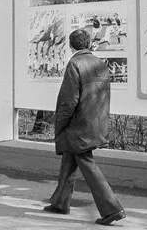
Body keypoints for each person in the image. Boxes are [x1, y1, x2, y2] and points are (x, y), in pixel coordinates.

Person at [43, 29, 125, 226]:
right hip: (95, 124)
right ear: (88, 44)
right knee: (69, 158)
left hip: (78, 126)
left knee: (86, 163)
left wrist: (60, 125)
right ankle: (60, 202)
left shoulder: (74, 64)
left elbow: (68, 102)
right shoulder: (100, 64)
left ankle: (113, 208)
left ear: (71, 45)